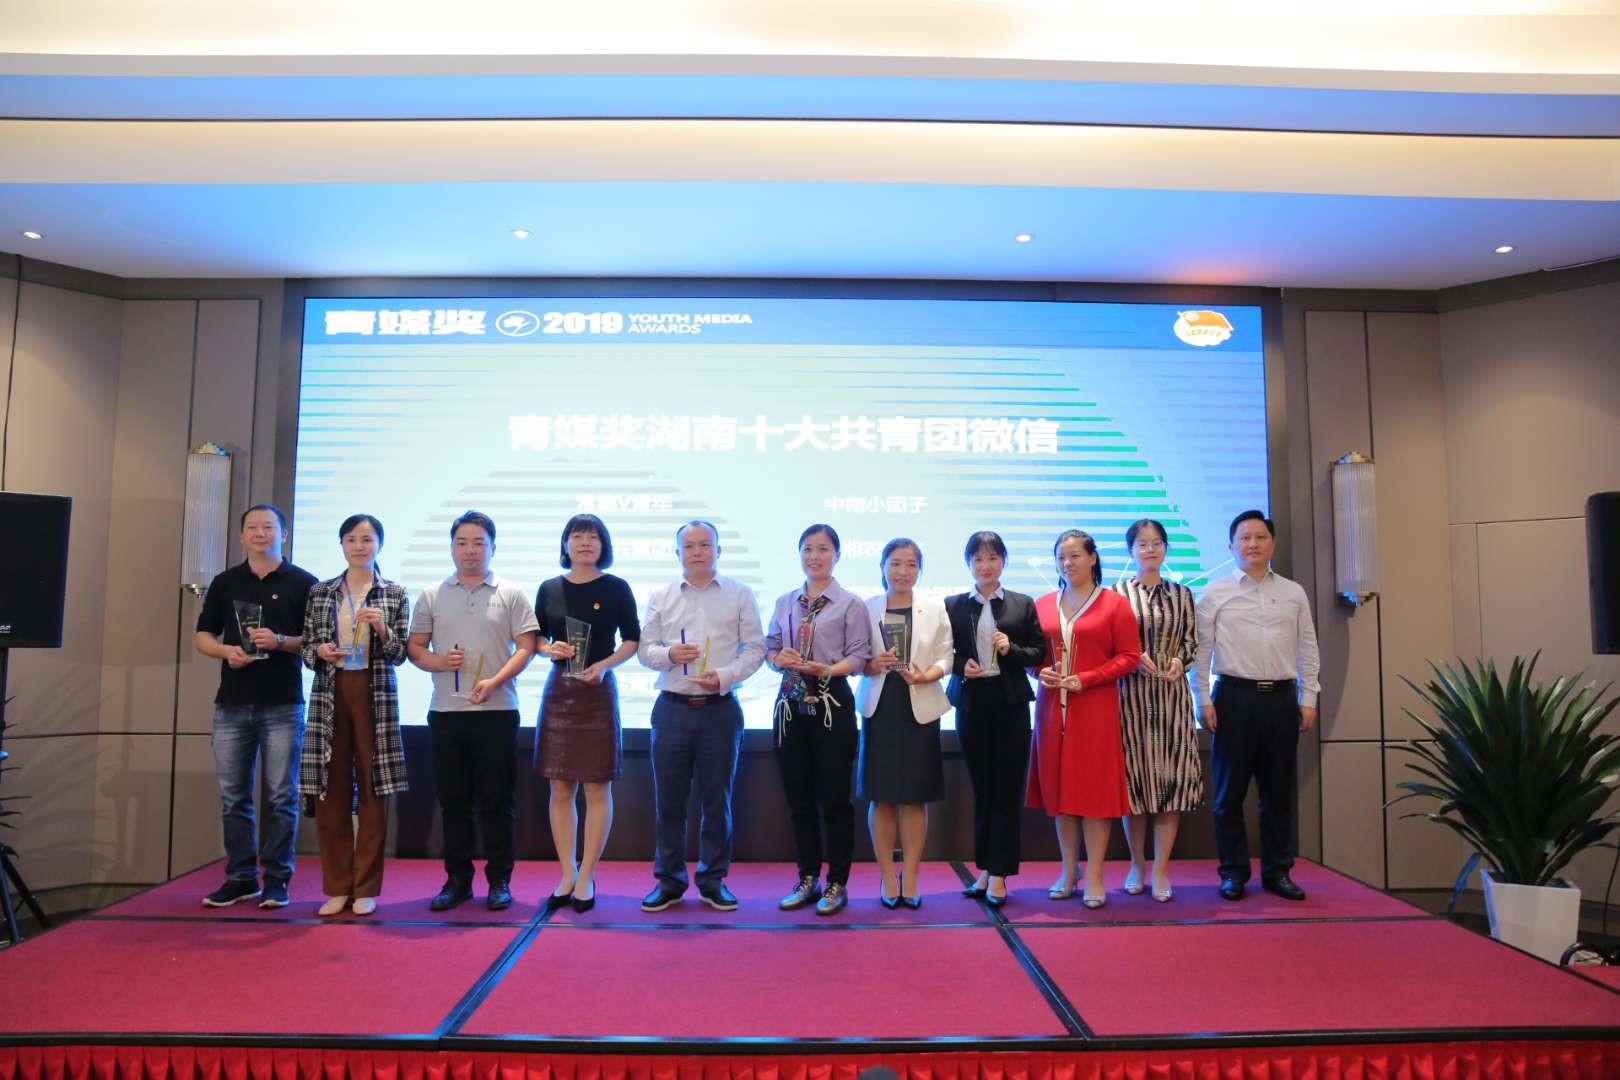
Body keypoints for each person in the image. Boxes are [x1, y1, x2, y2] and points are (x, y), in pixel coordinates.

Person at [407, 510, 538, 911]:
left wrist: (495, 681)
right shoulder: (432, 594)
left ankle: (500, 881)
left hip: (498, 711)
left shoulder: (511, 593)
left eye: (479, 542)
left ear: (493, 547)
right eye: (462, 542)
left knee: (498, 801)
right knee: (454, 802)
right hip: (446, 712)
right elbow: (415, 648)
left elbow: (527, 647)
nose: (470, 550)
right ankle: (457, 880)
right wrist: (439, 662)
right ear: (451, 547)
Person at [636, 521, 766, 913]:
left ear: (718, 551)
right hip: (672, 709)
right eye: (689, 546)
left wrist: (724, 676)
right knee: (669, 802)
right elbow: (645, 650)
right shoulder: (661, 596)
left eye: (705, 545)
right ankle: (670, 881)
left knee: (717, 800)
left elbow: (755, 649)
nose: (697, 552)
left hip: (719, 710)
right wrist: (669, 655)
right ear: (677, 553)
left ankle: (713, 880)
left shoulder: (739, 594)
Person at [193, 504, 317, 909]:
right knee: (234, 796)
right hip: (232, 704)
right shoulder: (226, 581)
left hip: (283, 704)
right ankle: (241, 877)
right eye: (253, 527)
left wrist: (280, 641)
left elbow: (317, 643)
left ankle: (278, 878)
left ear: (284, 534)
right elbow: (203, 636)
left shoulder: (304, 583)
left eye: (269, 527)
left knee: (282, 796)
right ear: (241, 535)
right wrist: (227, 651)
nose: (261, 533)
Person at [1193, 510, 1321, 902]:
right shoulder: (1214, 592)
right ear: (1231, 545)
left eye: (1260, 537)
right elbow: (1201, 651)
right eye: (1245, 537)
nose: (1253, 544)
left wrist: (1308, 696)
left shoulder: (1293, 592)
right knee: (1228, 795)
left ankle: (1277, 872)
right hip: (1233, 698)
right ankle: (1233, 873)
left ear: (1273, 543)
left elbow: (1308, 647)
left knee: (1277, 793)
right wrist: (1203, 699)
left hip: (1281, 699)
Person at [299, 513, 411, 917]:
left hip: (374, 692)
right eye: (351, 539)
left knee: (373, 787)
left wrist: (382, 629)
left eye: (367, 539)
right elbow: (307, 649)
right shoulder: (321, 592)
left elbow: (399, 654)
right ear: (342, 545)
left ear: (379, 544)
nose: (359, 546)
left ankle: (365, 886)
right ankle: (337, 886)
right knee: (330, 789)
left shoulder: (393, 592)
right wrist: (320, 651)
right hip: (330, 693)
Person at [533, 514, 640, 914]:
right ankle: (567, 872)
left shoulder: (616, 587)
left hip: (598, 690)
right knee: (560, 788)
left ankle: (587, 876)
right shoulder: (549, 588)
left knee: (597, 787)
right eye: (577, 536)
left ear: (603, 545)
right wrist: (548, 649)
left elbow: (632, 638)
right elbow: (536, 637)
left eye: (592, 537)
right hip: (560, 690)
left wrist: (606, 665)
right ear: (565, 544)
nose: (584, 542)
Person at [764, 524, 872, 916]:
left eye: (823, 549)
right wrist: (779, 659)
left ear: (837, 555)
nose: (815, 556)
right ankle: (807, 878)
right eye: (808, 549)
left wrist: (826, 668)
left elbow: (858, 657)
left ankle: (837, 883)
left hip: (831, 702)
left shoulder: (851, 604)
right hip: (790, 704)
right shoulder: (785, 601)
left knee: (835, 800)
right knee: (799, 799)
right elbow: (770, 648)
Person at [1029, 530, 1140, 908]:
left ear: (1093, 558)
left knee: (1093, 795)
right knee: (1060, 795)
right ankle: (1068, 869)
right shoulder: (1044, 604)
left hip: (1094, 710)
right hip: (1051, 710)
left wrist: (1088, 678)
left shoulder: (1114, 604)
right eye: (1061, 557)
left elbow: (1129, 657)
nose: (1067, 563)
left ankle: (1094, 873)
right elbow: (1033, 656)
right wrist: (1038, 671)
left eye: (1075, 555)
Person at [943, 531, 1043, 907]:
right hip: (970, 706)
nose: (985, 565)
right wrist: (960, 665)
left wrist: (1010, 649)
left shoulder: (1022, 603)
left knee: (1006, 791)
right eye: (978, 559)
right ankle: (985, 868)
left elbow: (1037, 652)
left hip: (1010, 706)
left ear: (1003, 561)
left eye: (993, 558)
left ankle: (1000, 873)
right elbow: (942, 652)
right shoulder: (953, 605)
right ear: (968, 563)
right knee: (983, 791)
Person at [856, 538, 952, 909]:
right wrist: (872, 664)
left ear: (919, 570)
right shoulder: (867, 608)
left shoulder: (935, 607)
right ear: (882, 567)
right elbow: (856, 658)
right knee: (881, 798)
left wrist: (928, 674)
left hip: (920, 708)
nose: (903, 571)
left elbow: (947, 657)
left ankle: (910, 877)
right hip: (881, 708)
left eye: (911, 564)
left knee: (914, 798)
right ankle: (886, 877)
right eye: (895, 563)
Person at [1114, 518, 1203, 903]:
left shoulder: (1182, 594)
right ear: (1130, 551)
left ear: (1166, 549)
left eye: (1156, 543)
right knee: (1133, 785)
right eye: (1142, 544)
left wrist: (1180, 662)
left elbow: (1192, 642)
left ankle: (1161, 869)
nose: (1150, 550)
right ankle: (1137, 864)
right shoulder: (1116, 594)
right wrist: (1132, 658)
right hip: (1130, 699)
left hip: (1171, 699)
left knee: (1171, 783)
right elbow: (1109, 643)